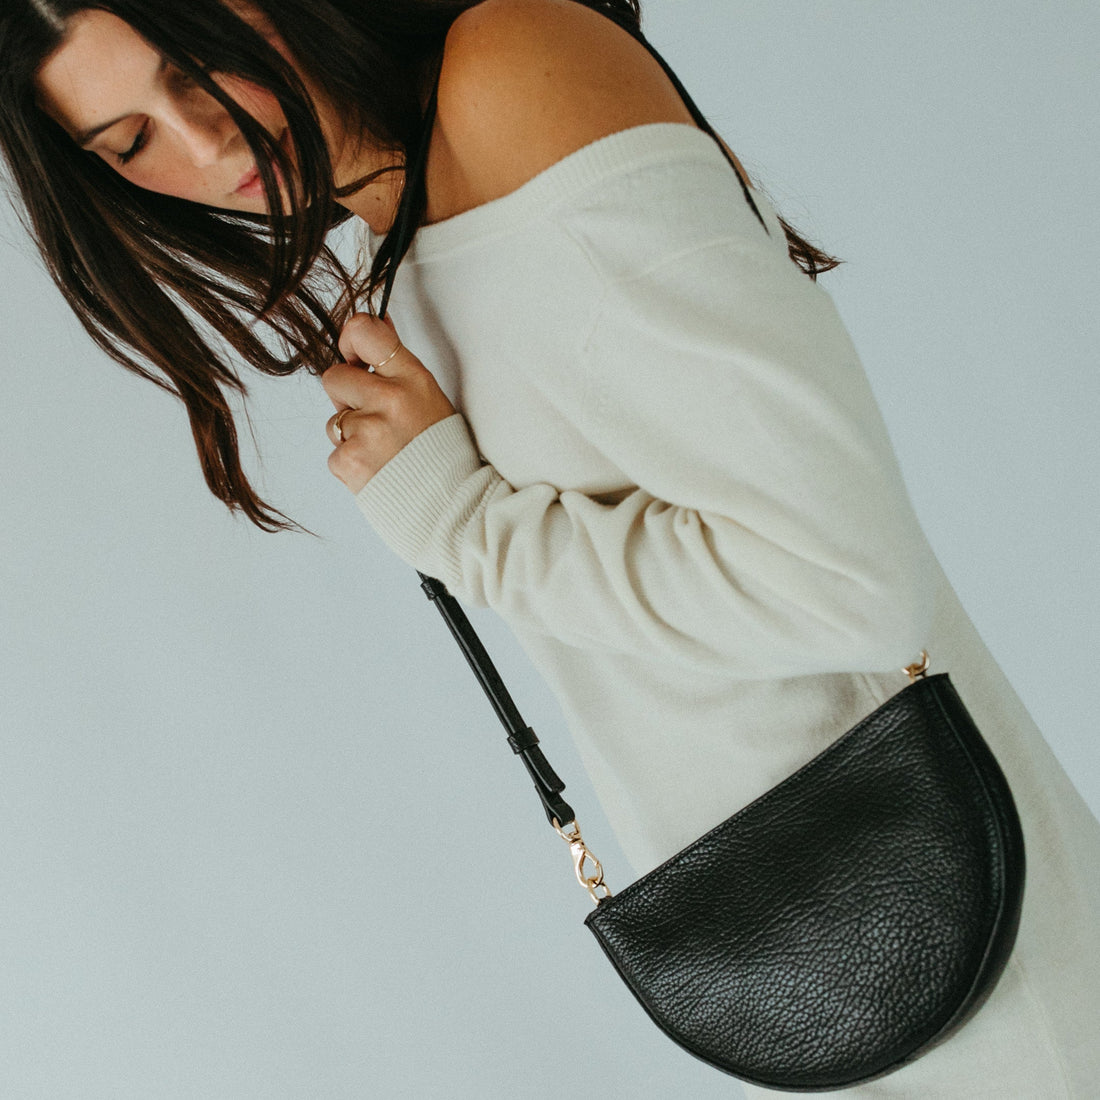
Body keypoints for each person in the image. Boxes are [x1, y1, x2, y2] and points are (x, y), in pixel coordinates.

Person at [4, 0, 1098, 1094]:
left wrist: (455, 517)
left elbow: (849, 590)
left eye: (204, 72)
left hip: (976, 957)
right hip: (811, 955)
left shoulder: (509, 67)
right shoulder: (393, 240)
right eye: (132, 143)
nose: (208, 148)